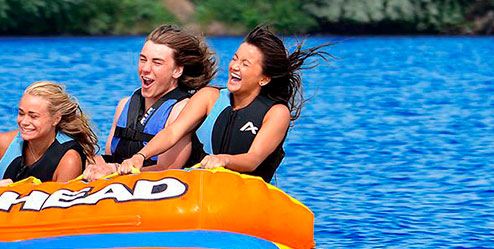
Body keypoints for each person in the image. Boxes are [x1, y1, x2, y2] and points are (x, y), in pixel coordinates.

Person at [118, 25, 333, 183]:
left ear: (264, 78)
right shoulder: (209, 97)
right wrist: (140, 157)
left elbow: (252, 159)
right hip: (201, 191)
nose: (235, 67)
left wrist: (224, 160)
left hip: (245, 195)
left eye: (245, 64)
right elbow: (173, 132)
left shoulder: (276, 113)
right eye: (235, 59)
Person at [83, 24, 217, 179]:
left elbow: (167, 168)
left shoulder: (182, 109)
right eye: (143, 59)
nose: (145, 68)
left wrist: (115, 171)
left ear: (177, 70)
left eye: (157, 62)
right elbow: (111, 156)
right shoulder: (124, 105)